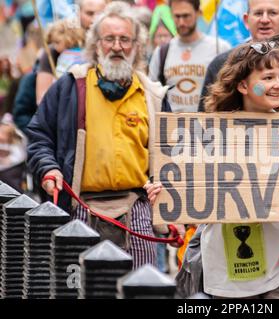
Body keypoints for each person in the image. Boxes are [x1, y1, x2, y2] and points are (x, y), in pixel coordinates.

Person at [147, 40, 279, 299]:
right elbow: (188, 206)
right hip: (224, 272)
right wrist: (164, 194)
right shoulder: (207, 133)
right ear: (242, 84)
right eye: (269, 76)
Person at [27, 1, 181, 269]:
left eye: (125, 39)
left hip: (138, 210)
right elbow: (39, 134)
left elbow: (174, 155)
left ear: (137, 45)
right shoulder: (70, 87)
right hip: (81, 210)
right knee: (84, 290)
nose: (117, 46)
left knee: (142, 288)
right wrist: (48, 168)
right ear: (96, 44)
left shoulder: (153, 96)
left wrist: (170, 207)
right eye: (109, 39)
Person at [149, 0, 230, 112]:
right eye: (177, 16)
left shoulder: (220, 48)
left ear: (198, 13)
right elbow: (152, 95)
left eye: (186, 16)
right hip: (171, 126)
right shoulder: (161, 52)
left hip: (208, 125)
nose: (181, 22)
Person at [35, 0, 108, 105]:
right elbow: (42, 100)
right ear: (78, 13)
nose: (95, 19)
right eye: (89, 13)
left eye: (101, 14)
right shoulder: (58, 48)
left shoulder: (115, 48)